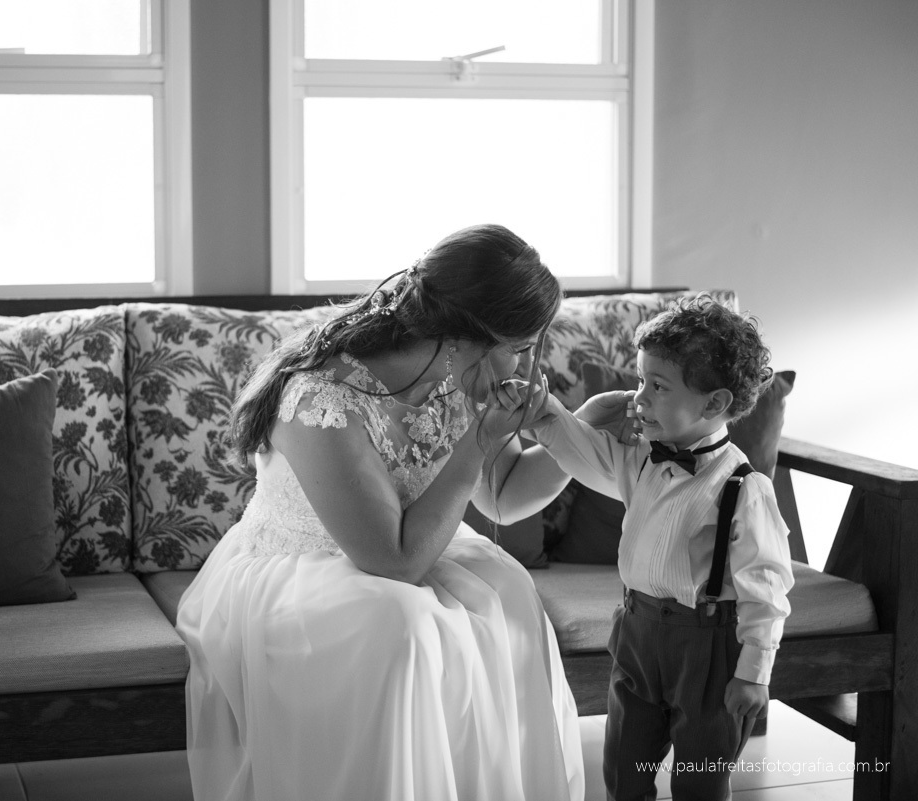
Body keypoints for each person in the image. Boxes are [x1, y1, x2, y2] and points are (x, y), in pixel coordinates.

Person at [177, 223, 614, 801]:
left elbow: (504, 496)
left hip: (408, 546)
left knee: (507, 592)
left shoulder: (456, 375)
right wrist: (478, 441)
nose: (525, 366)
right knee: (398, 627)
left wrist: (583, 424)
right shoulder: (320, 398)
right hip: (305, 568)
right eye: (520, 347)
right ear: (465, 335)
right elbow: (393, 562)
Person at [520, 295, 795, 801]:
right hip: (637, 634)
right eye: (641, 379)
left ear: (714, 404)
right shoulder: (641, 459)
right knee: (625, 765)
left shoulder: (743, 488)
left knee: (701, 780)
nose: (639, 397)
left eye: (658, 386)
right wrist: (543, 413)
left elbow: (767, 590)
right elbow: (582, 451)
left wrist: (754, 674)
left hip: (707, 648)